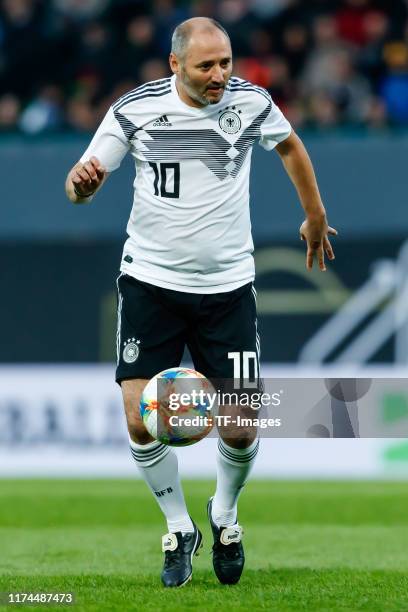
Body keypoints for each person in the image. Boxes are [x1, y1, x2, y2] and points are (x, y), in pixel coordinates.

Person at [65, 16, 337, 588]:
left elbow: (289, 145)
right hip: (150, 282)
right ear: (175, 65)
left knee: (239, 428)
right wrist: (82, 186)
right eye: (206, 66)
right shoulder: (134, 110)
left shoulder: (251, 104)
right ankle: (177, 526)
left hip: (227, 287)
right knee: (143, 420)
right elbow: (80, 184)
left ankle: (225, 515)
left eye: (226, 63)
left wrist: (314, 214)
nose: (219, 76)